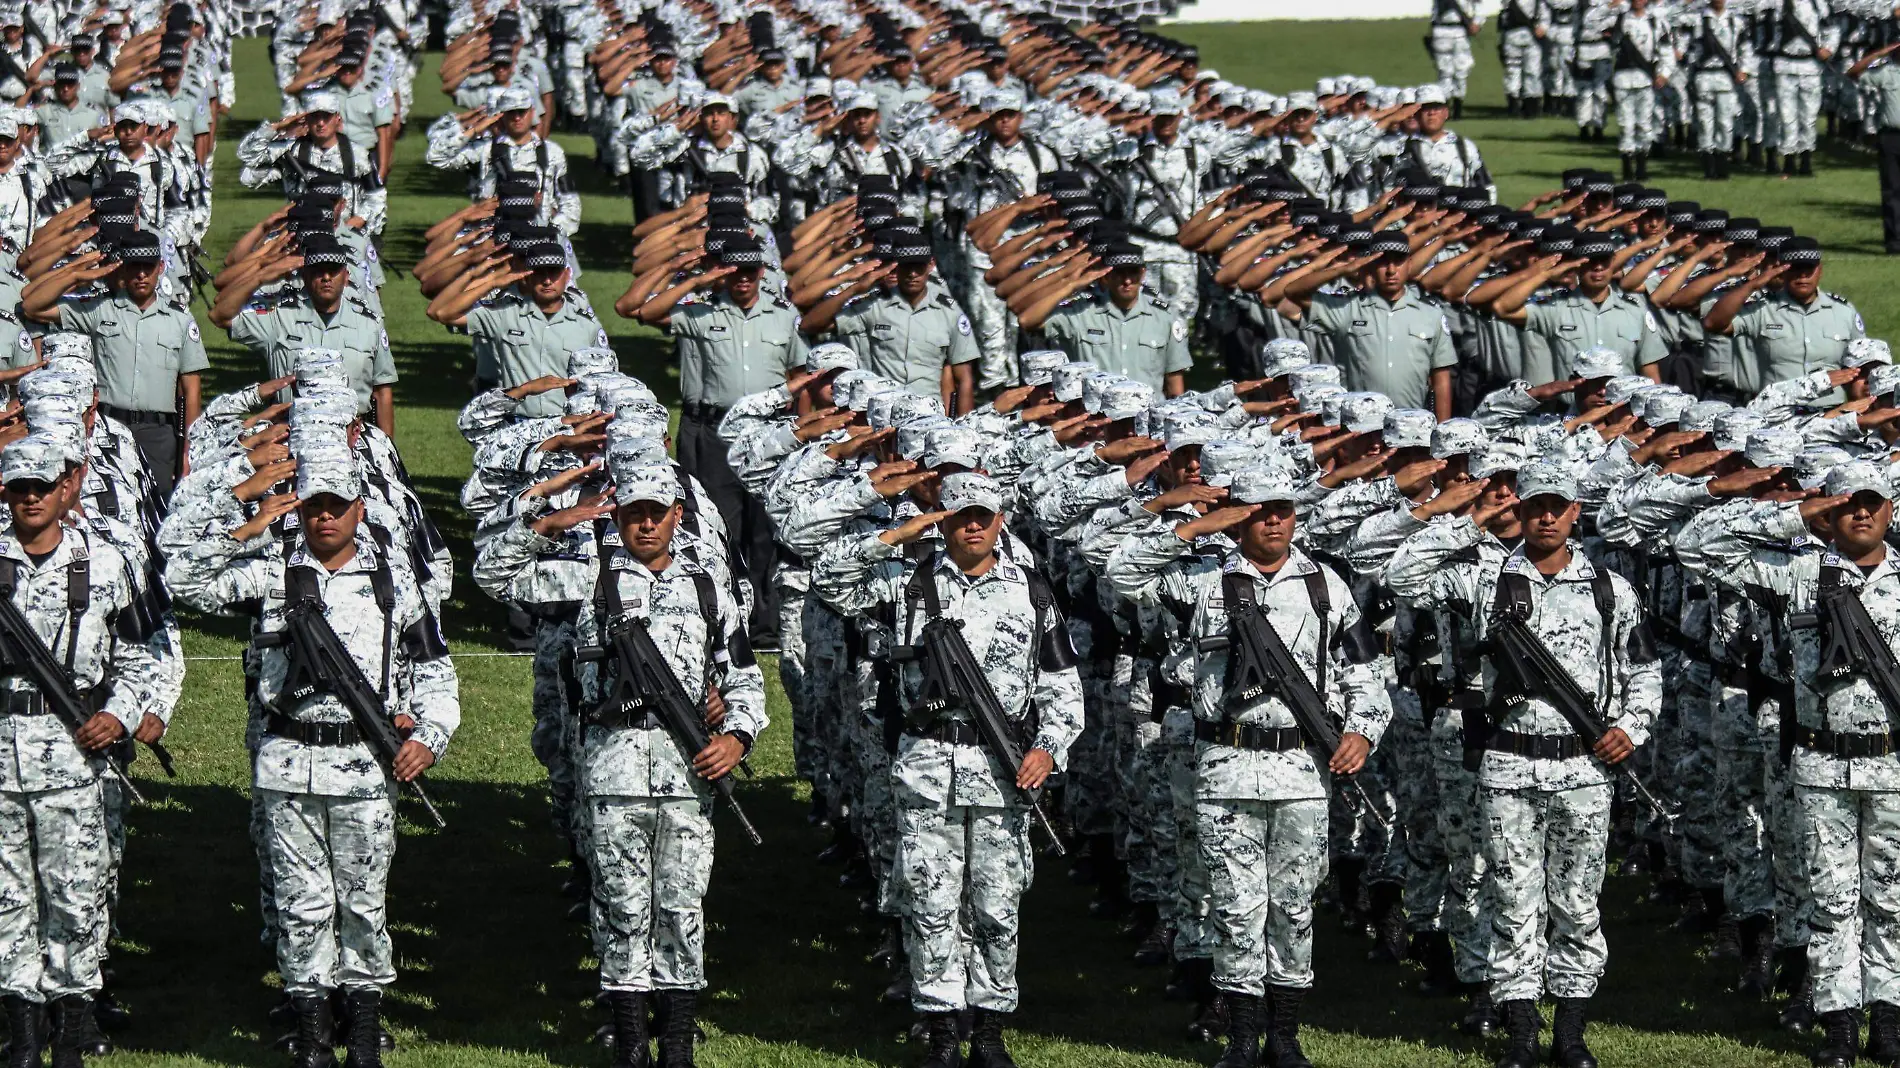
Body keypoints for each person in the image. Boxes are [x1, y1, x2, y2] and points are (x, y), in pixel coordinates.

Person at [164, 439, 459, 1068]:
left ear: (359, 507)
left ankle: (365, 1033)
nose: (324, 516)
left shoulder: (392, 582)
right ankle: (312, 1034)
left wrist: (427, 739)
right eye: (312, 505)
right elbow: (182, 576)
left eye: (336, 505)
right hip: (289, 763)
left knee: (363, 903)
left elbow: (435, 672)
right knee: (302, 906)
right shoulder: (273, 573)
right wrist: (251, 514)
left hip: (365, 765)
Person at [474, 457, 765, 1068]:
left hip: (690, 773)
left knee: (683, 904)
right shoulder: (586, 579)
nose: (646, 526)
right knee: (621, 904)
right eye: (634, 514)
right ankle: (631, 1037)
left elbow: (742, 676)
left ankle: (678, 1040)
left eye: (657, 514)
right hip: (613, 771)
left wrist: (737, 736)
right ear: (620, 517)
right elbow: (494, 574)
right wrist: (556, 518)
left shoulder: (710, 585)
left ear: (677, 515)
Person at [1106, 463, 1391, 1068]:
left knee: (1292, 903)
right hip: (1226, 764)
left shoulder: (1324, 585)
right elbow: (1120, 568)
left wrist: (1362, 731)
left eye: (1283, 508)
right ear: (1240, 517)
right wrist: (1198, 524)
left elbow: (1364, 672)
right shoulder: (1203, 582)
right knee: (1235, 905)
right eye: (1260, 510)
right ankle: (1239, 1036)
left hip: (1301, 769)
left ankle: (1283, 1035)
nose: (1275, 521)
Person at [1388, 461, 1659, 1068]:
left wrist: (1630, 728)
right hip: (1508, 766)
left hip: (1584, 768)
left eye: (1556, 506)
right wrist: (1471, 518)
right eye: (1534, 505)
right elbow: (1400, 574)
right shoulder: (1486, 580)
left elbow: (1642, 670)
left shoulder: (1611, 589)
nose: (1544, 516)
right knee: (1512, 898)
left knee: (1578, 901)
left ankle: (1570, 1029)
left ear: (1574, 514)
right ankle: (1519, 1031)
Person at [812, 472, 1083, 1068]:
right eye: (961, 515)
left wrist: (1048, 748)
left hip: (1004, 771)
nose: (974, 526)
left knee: (997, 902)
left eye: (984, 515)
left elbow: (1063, 688)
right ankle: (939, 1030)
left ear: (1000, 520)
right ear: (944, 519)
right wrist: (896, 536)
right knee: (930, 899)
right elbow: (828, 578)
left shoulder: (1032, 591)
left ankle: (987, 1031)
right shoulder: (907, 580)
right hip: (928, 764)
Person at [1674, 462, 1900, 1068]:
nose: (1860, 512)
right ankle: (1838, 1026)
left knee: (1892, 900)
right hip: (1821, 764)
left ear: (1891, 510)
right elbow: (1695, 546)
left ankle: (1889, 1020)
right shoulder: (1799, 572)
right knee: (1830, 899)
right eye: (1847, 501)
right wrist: (1797, 513)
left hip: (1893, 765)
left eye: (1872, 501)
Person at [0, 433, 174, 1068]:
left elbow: (144, 654)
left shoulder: (104, 563)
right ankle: (21, 1033)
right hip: (1, 757)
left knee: (76, 896)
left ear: (64, 487)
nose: (30, 500)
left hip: (75, 759)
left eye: (41, 487)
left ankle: (72, 1031)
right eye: (18, 489)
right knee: (7, 899)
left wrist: (119, 715)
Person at [634, 235, 805, 646]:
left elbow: (800, 370)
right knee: (718, 525)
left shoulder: (783, 317)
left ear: (762, 272)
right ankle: (727, 615)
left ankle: (766, 621)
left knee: (766, 529)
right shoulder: (701, 311)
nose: (742, 279)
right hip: (717, 433)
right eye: (734, 271)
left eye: (750, 271)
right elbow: (643, 311)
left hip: (769, 433)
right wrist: (700, 279)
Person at [20, 230, 205, 496]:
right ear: (122, 268)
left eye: (148, 267)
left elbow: (192, 392)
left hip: (158, 435)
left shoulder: (181, 321)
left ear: (160, 268)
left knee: (158, 509)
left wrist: (187, 450)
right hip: (107, 429)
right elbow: (32, 306)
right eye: (134, 267)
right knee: (108, 503)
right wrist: (77, 275)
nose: (141, 275)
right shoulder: (99, 310)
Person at [212, 232, 398, 436]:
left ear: (346, 277)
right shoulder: (280, 318)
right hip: (291, 436)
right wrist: (260, 276)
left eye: (333, 271)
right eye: (318, 271)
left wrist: (387, 450)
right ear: (305, 276)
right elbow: (221, 315)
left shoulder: (369, 324)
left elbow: (382, 394)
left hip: (351, 439)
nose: (326, 277)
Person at [1278, 231, 1458, 418]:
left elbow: (1441, 379)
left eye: (1398, 261)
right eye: (1382, 262)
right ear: (1370, 265)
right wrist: (1340, 270)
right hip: (1359, 424)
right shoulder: (1348, 308)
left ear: (1410, 264)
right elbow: (1292, 291)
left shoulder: (1431, 314)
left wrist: (1442, 428)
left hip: (1411, 423)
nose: (1391, 270)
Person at [425, 239, 610, 418]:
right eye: (539, 273)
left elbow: (605, 380)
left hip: (567, 426)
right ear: (527, 276)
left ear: (567, 275)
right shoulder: (503, 315)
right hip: (515, 426)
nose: (546, 281)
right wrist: (490, 282)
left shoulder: (587, 326)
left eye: (553, 272)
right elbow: (442, 313)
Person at [802, 239, 979, 413]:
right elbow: (810, 324)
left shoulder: (949, 313)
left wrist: (965, 428)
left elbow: (964, 378)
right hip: (884, 413)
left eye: (918, 267)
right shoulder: (874, 306)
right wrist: (855, 289)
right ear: (895, 266)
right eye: (906, 267)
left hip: (930, 415)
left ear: (931, 265)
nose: (912, 274)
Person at [1483, 234, 1667, 384]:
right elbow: (1502, 307)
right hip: (1572, 413)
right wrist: (1544, 274)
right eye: (1590, 262)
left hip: (1622, 413)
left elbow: (1650, 370)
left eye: (1604, 261)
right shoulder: (1556, 308)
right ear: (1577, 265)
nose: (1598, 267)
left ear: (1613, 263)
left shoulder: (1635, 311)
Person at [1024, 242, 1191, 398]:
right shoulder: (1081, 314)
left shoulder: (1164, 318)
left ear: (1142, 274)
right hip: (1096, 421)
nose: (1127, 281)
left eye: (1132, 273)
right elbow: (1027, 320)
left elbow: (1174, 383)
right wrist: (1071, 286)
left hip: (1146, 419)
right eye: (1119, 274)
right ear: (1106, 276)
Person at [1701, 237, 1865, 395]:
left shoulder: (1843, 311)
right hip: (1779, 414)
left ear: (1820, 270)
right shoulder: (1763, 309)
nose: (1802, 276)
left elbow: (1861, 362)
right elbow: (1713, 323)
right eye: (1795, 269)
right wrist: (1752, 285)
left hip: (1830, 413)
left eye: (1808, 269)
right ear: (1782, 271)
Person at [1609, 0, 1675, 180]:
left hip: (1646, 79)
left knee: (1644, 125)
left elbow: (1666, 50)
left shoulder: (1656, 22)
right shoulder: (1619, 19)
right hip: (1623, 78)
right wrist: (1610, 7)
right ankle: (1626, 169)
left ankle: (1641, 167)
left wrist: (1664, 73)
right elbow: (1592, 23)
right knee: (1625, 125)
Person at [1848, 40, 1900, 254]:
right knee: (1892, 190)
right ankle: (1895, 242)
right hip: (1891, 136)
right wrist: (1880, 51)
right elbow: (1853, 73)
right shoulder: (1887, 72)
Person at [1404, 86, 1490, 192]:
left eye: (1436, 108)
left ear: (1446, 113)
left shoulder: (1465, 146)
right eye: (1425, 108)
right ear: (1416, 113)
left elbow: (1486, 186)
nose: (1431, 113)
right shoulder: (1404, 147)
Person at [1428, 0, 1483, 117]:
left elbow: (1478, 6)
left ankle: (1456, 108)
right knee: (1445, 72)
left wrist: (1477, 23)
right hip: (1442, 30)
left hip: (1458, 31)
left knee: (1460, 71)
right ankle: (1447, 108)